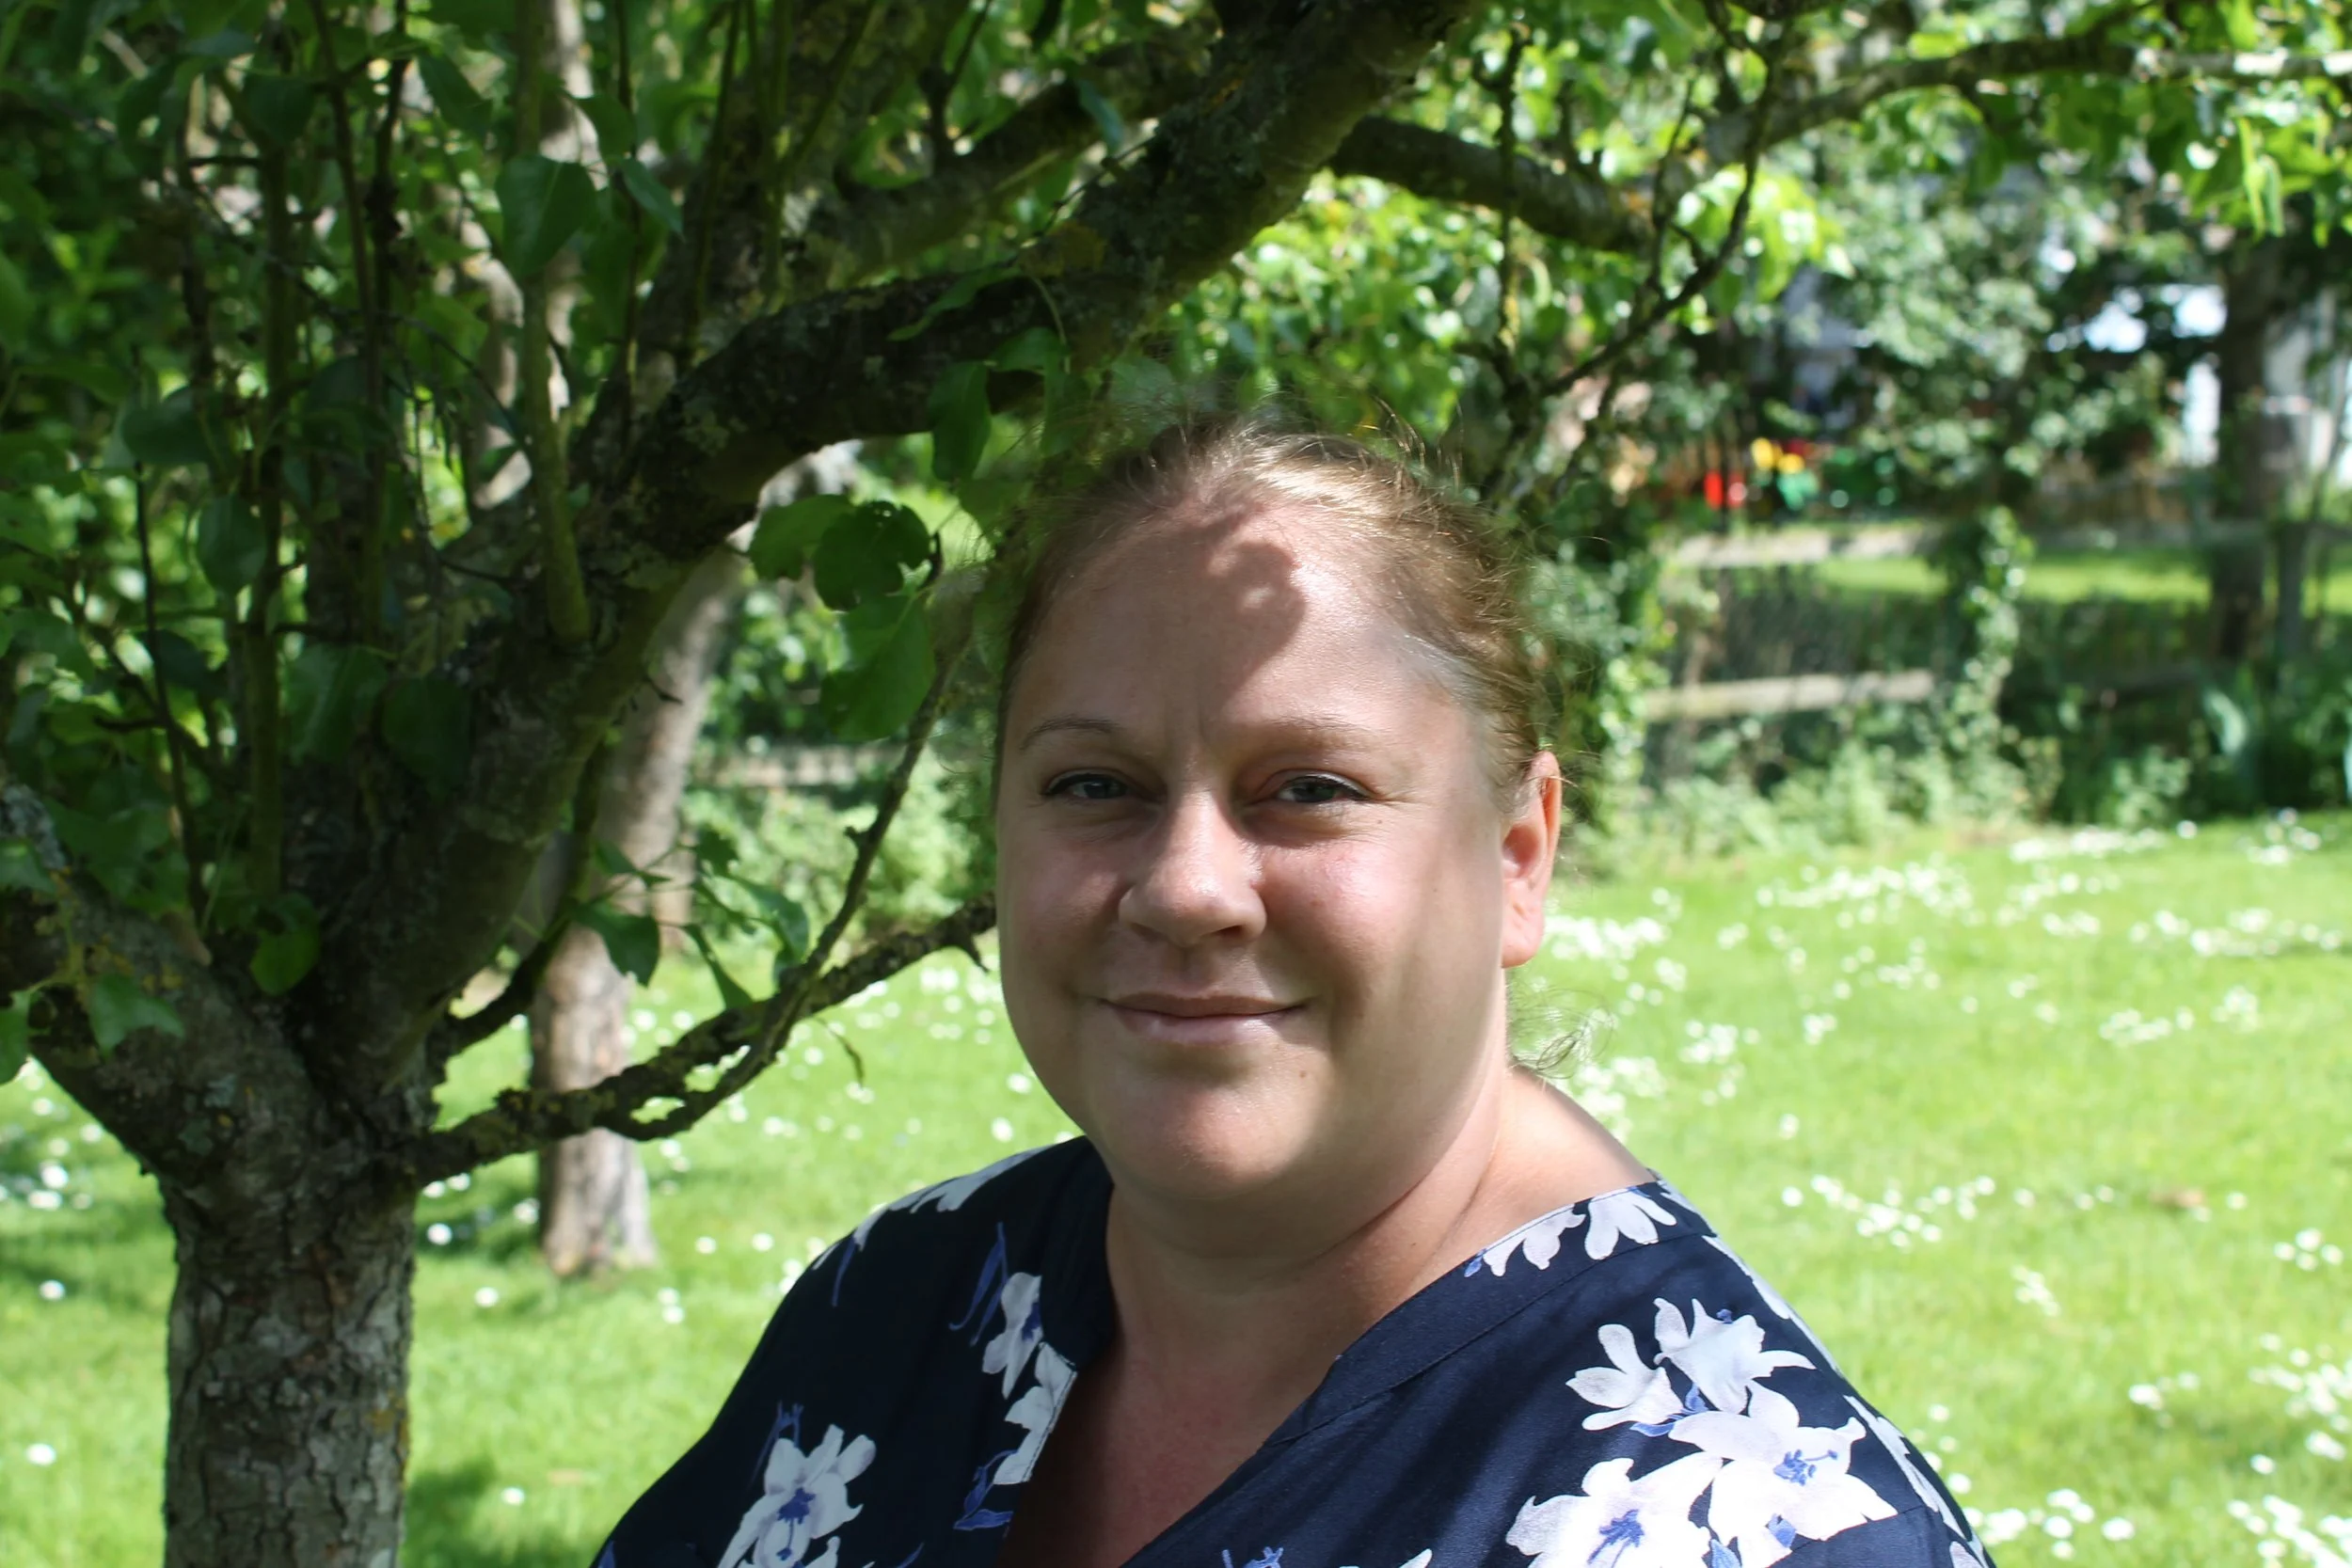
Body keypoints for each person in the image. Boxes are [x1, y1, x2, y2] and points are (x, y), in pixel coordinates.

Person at [595, 420, 1989, 1568]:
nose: (1187, 885)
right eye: (1096, 786)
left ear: (1519, 855)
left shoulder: (1746, 1526)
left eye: (1308, 789)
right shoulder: (898, 1310)